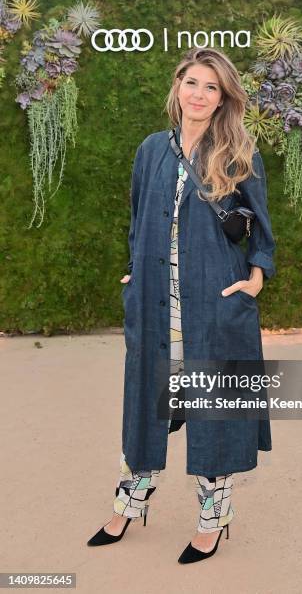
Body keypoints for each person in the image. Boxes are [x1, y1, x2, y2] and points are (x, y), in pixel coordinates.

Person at [87, 47, 276, 564]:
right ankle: (132, 499)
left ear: (222, 99)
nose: (199, 94)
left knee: (213, 407)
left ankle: (214, 516)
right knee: (148, 399)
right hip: (154, 299)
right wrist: (135, 268)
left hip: (213, 298)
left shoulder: (238, 152)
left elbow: (260, 224)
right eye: (192, 82)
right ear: (178, 87)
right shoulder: (151, 149)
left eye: (211, 87)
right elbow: (138, 214)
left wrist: (256, 277)